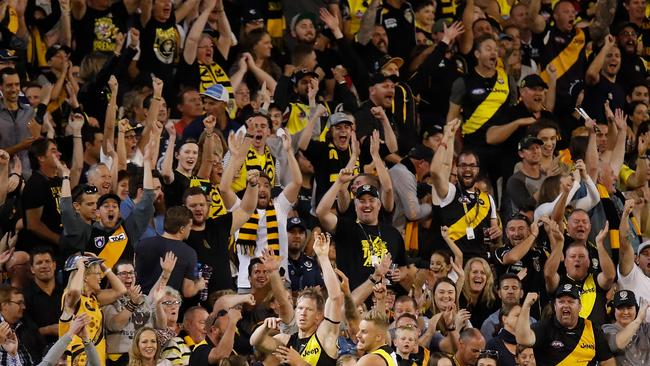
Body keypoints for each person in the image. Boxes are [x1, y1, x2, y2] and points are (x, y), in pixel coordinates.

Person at [221, 123, 302, 291]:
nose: (262, 189)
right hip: (246, 283)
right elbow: (223, 189)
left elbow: (297, 182)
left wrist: (289, 152)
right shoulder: (239, 208)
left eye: (266, 185)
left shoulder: (280, 206)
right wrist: (235, 158)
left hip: (278, 282)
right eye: (257, 185)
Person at [250, 232, 343, 366]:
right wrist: (264, 328)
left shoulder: (325, 335)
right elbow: (256, 342)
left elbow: (335, 297)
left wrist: (323, 257)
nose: (303, 313)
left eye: (309, 310)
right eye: (300, 308)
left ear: (318, 316)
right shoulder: (286, 341)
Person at [58, 145, 155, 269]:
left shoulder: (129, 229)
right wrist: (66, 177)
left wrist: (146, 163)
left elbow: (147, 200)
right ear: (97, 212)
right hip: (96, 287)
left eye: (114, 206)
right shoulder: (86, 232)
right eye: (105, 205)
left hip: (126, 287)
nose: (111, 208)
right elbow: (66, 211)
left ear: (119, 211)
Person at [316, 168, 408, 291]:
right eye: (362, 201)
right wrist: (338, 183)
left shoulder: (393, 233)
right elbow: (321, 213)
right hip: (355, 303)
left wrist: (400, 274)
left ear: (379, 205)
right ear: (355, 207)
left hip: (385, 302)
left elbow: (403, 267)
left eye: (371, 200)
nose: (367, 205)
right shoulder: (345, 227)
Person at [430, 120, 501, 260]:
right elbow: (436, 170)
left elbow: (496, 240)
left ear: (478, 170)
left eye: (472, 165)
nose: (468, 169)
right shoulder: (449, 193)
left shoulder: (488, 199)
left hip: (480, 265)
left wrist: (497, 233)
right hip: (454, 263)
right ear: (456, 169)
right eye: (463, 165)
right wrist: (447, 137)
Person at [515, 289, 615, 365]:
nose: (565, 305)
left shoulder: (591, 328)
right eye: (561, 302)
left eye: (571, 302)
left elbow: (607, 360)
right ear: (555, 306)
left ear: (580, 306)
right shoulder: (545, 326)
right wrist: (526, 305)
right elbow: (522, 339)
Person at [60, 255, 127, 365]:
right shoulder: (70, 298)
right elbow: (76, 290)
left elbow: (121, 290)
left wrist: (103, 266)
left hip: (97, 357)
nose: (101, 276)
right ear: (85, 277)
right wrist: (81, 268)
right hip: (79, 359)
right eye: (97, 273)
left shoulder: (94, 299)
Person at [544, 223, 615, 326]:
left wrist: (599, 244)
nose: (577, 259)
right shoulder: (559, 281)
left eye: (581, 256)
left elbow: (610, 276)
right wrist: (560, 244)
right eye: (572, 256)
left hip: (594, 338)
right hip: (564, 338)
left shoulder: (596, 280)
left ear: (589, 262)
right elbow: (548, 275)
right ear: (565, 262)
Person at [135, 206, 205, 297]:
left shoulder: (142, 244)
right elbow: (187, 292)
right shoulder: (189, 253)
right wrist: (199, 286)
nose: (190, 229)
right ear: (182, 229)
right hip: (166, 306)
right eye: (190, 226)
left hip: (139, 303)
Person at [23, 247, 63, 344]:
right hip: (39, 351)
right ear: (32, 269)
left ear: (54, 265)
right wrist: (48, 330)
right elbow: (24, 332)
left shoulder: (66, 291)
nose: (44, 266)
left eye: (47, 261)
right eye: (39, 263)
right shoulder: (24, 296)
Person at [0, 285, 47, 364]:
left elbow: (42, 348)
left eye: (23, 303)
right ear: (4, 305)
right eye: (19, 303)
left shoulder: (26, 322)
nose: (24, 307)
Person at [601, 289, 650, 366]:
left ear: (636, 309)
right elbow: (617, 344)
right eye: (621, 308)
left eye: (629, 308)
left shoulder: (645, 328)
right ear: (614, 311)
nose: (626, 312)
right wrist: (639, 319)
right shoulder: (607, 329)